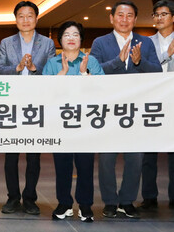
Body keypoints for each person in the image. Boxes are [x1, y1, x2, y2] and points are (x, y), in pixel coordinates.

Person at [89, 0, 161, 219]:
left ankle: (127, 201)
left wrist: (140, 62)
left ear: (135, 19)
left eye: (129, 15)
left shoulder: (145, 43)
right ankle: (110, 202)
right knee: (107, 159)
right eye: (120, 15)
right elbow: (94, 71)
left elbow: (157, 71)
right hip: (108, 109)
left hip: (136, 109)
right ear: (112, 18)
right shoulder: (100, 42)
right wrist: (118, 61)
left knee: (135, 158)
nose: (124, 19)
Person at [0, 1, 55, 215]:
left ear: (36, 19)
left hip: (37, 105)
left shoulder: (47, 43)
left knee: (33, 156)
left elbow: (52, 72)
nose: (26, 20)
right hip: (12, 105)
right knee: (11, 155)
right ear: (16, 19)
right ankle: (12, 197)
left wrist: (34, 68)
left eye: (30, 15)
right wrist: (18, 67)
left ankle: (30, 198)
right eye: (21, 16)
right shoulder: (6, 43)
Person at [43, 21, 103, 223]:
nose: (71, 38)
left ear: (81, 39)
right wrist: (61, 74)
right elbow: (42, 93)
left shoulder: (91, 60)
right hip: (59, 123)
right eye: (66, 34)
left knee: (85, 166)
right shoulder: (52, 63)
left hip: (86, 123)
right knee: (62, 166)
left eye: (75, 34)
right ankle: (64, 203)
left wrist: (85, 74)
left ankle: (85, 205)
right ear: (60, 40)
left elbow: (103, 90)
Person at [140, 0, 174, 214]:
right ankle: (149, 197)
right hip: (150, 103)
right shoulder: (144, 43)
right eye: (156, 14)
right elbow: (143, 70)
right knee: (148, 154)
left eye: (164, 14)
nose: (159, 18)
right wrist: (167, 56)